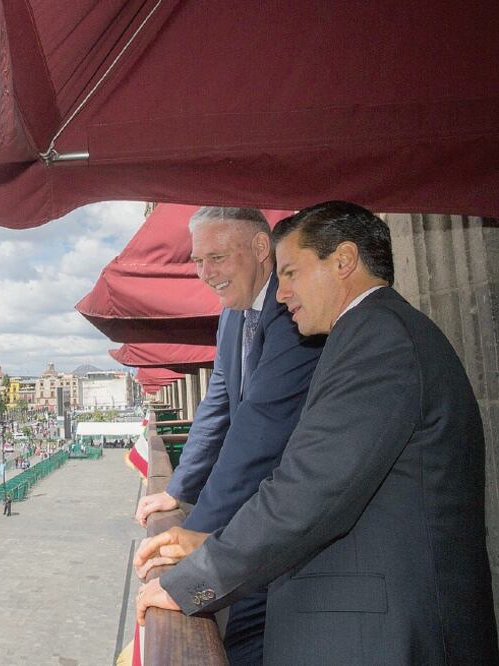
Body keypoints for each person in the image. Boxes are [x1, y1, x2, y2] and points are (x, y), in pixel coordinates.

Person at [135, 202, 498, 665]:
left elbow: (308, 488)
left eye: (290, 273)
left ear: (343, 262)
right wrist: (211, 542)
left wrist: (194, 579)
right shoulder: (374, 332)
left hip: (383, 635)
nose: (282, 294)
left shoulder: (377, 339)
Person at [132, 207, 324, 664]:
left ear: (261, 249)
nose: (206, 273)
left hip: (288, 512)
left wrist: (190, 538)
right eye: (198, 261)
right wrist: (178, 490)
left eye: (216, 257)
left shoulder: (291, 307)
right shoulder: (232, 314)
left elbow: (257, 431)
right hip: (251, 514)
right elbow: (217, 404)